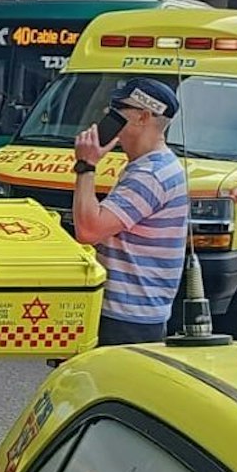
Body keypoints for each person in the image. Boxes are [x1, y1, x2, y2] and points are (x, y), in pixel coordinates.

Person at [71, 77, 189, 345]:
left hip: (126, 318)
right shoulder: (153, 166)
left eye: (117, 109)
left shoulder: (151, 175)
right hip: (135, 313)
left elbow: (89, 230)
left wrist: (86, 165)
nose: (107, 114)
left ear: (143, 117)